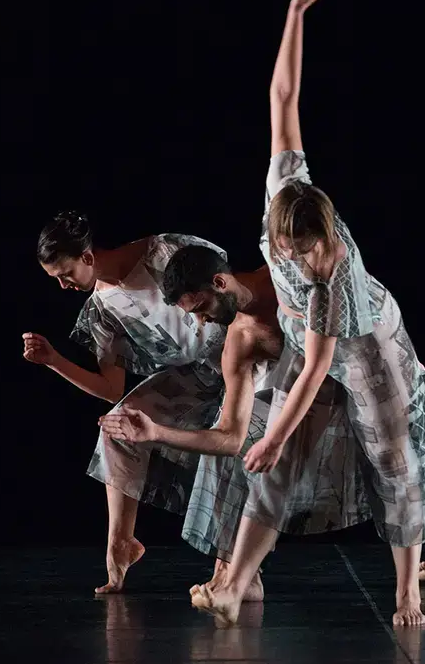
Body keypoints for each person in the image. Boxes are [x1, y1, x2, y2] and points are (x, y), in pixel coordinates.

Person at [191, 0, 425, 629]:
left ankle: (417, 592)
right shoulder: (287, 184)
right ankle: (232, 583)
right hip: (309, 336)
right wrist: (294, 13)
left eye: (309, 252)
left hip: (372, 342)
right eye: (292, 252)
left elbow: (315, 367)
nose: (300, 261)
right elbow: (283, 94)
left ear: (325, 241)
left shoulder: (331, 278)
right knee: (262, 455)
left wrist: (278, 434)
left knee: (398, 457)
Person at [99, 241, 372, 599]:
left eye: (201, 308)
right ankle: (234, 570)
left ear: (220, 283)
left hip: (364, 377)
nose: (201, 321)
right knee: (235, 449)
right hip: (306, 400)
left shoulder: (288, 278)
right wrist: (156, 432)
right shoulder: (239, 340)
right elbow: (229, 437)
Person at [24, 219, 264, 596]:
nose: (63, 285)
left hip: (249, 351)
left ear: (87, 256)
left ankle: (239, 568)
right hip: (199, 374)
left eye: (66, 273)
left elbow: (227, 284)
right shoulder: (101, 310)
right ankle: (120, 545)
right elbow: (110, 389)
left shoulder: (164, 251)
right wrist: (54, 360)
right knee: (118, 425)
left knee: (227, 451)